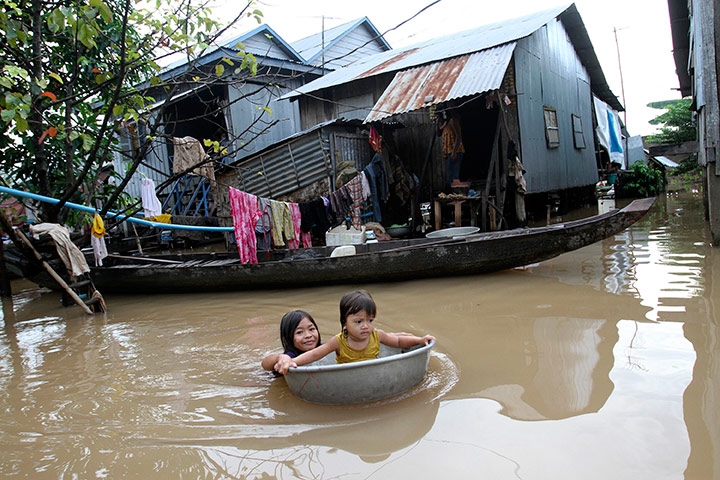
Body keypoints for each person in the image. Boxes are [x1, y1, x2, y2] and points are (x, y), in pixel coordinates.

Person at [275, 290, 435, 374]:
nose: (366, 326)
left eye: (370, 320)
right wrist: (292, 362)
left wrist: (420, 340)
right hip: (348, 379)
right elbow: (315, 355)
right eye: (358, 322)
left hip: (375, 374)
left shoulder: (377, 335)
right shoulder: (338, 341)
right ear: (345, 323)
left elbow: (399, 342)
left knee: (399, 336)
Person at [436, 111, 465, 190]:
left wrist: (454, 152)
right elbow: (438, 133)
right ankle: (453, 195)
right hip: (449, 152)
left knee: (454, 177)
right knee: (449, 178)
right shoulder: (446, 123)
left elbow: (458, 136)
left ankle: (457, 195)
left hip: (456, 151)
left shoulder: (453, 121)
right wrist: (437, 124)